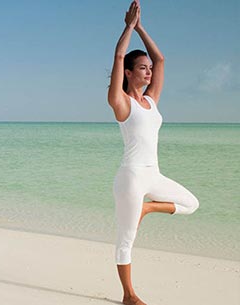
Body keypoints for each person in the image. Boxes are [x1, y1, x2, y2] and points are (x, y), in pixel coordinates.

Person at [107, 1, 200, 304]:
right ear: (129, 73)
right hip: (132, 177)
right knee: (126, 239)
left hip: (153, 174)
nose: (148, 73)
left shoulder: (152, 101)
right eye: (142, 69)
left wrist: (142, 27)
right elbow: (120, 55)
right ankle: (128, 295)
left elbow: (161, 59)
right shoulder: (122, 102)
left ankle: (148, 209)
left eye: (148, 70)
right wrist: (129, 28)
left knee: (191, 203)